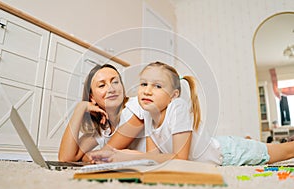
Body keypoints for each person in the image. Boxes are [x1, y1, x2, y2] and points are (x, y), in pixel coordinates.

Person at [88, 61, 294, 166]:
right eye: (143, 84)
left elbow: (180, 160)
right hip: (217, 146)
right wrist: (116, 155)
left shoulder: (176, 108)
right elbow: (151, 157)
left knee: (285, 152)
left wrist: (121, 155)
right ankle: (251, 141)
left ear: (173, 95)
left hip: (228, 153)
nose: (147, 90)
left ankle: (252, 142)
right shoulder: (149, 115)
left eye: (157, 86)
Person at [58, 64, 144, 162]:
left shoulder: (137, 106)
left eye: (115, 82)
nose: (111, 89)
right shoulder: (104, 126)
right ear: (92, 97)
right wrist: (80, 108)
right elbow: (65, 158)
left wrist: (90, 156)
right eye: (102, 85)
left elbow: (102, 155)